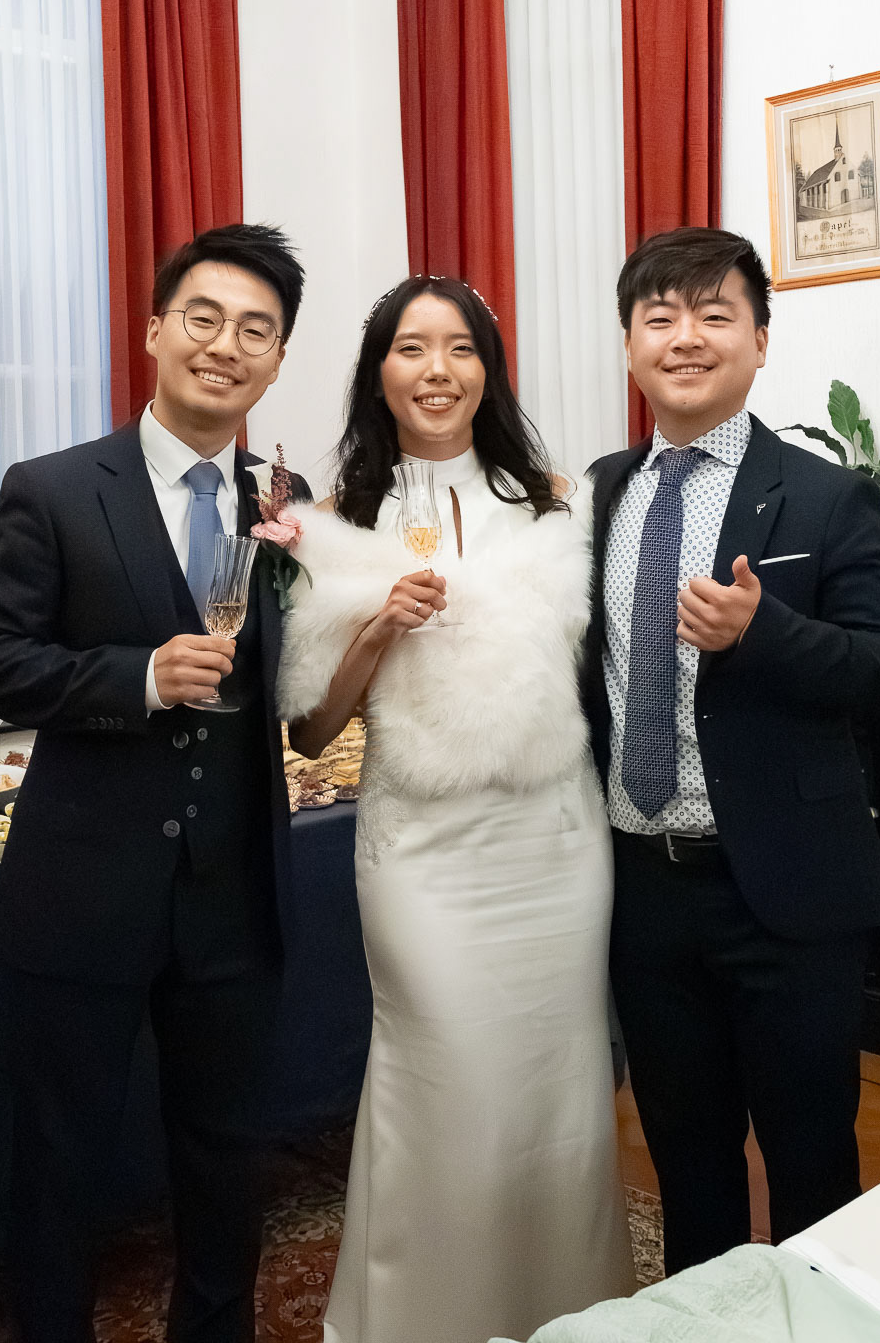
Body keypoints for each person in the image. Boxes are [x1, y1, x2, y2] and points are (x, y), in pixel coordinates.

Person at [0, 223, 311, 1343]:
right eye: (203, 317)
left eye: (257, 329)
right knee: (60, 1166)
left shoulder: (284, 498)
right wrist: (137, 676)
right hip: (84, 889)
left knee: (226, 1160)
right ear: (155, 329)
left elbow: (293, 666)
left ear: (278, 357)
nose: (226, 345)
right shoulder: (54, 489)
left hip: (233, 892)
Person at [278, 275, 636, 1343]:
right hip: (422, 857)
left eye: (460, 349)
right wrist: (379, 627)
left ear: (487, 369)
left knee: (558, 1096)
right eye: (411, 349)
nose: (437, 370)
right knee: (451, 1090)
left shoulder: (562, 506)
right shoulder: (333, 525)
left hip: (555, 845)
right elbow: (306, 729)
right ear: (377, 373)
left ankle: (570, 1316)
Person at [583, 226, 880, 1276]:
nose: (686, 338)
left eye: (715, 314)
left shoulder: (824, 496)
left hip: (790, 897)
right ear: (631, 342)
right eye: (661, 316)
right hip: (645, 893)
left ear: (760, 341)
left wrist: (761, 632)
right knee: (688, 1166)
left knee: (814, 1167)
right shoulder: (596, 493)